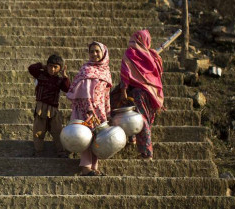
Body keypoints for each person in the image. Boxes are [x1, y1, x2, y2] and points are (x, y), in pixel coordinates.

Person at [66, 41, 112, 176]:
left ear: (103, 53)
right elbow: (85, 92)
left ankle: (94, 167)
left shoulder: (106, 71)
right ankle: (86, 167)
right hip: (86, 109)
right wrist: (89, 109)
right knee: (86, 136)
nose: (94, 54)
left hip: (100, 111)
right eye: (91, 51)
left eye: (97, 51)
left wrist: (107, 112)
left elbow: (106, 95)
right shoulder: (86, 69)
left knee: (98, 138)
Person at [119, 29, 164, 160]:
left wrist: (123, 90)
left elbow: (125, 74)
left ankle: (146, 153)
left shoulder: (131, 53)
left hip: (138, 92)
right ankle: (133, 139)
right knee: (142, 119)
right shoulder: (153, 56)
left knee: (140, 120)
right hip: (152, 94)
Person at [28, 54, 70, 157]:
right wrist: (42, 66)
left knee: (57, 131)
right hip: (41, 108)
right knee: (38, 131)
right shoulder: (41, 75)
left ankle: (61, 152)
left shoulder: (59, 80)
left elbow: (67, 89)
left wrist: (65, 77)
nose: (52, 69)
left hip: (53, 109)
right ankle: (38, 152)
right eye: (50, 66)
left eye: (56, 67)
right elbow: (31, 68)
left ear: (60, 68)